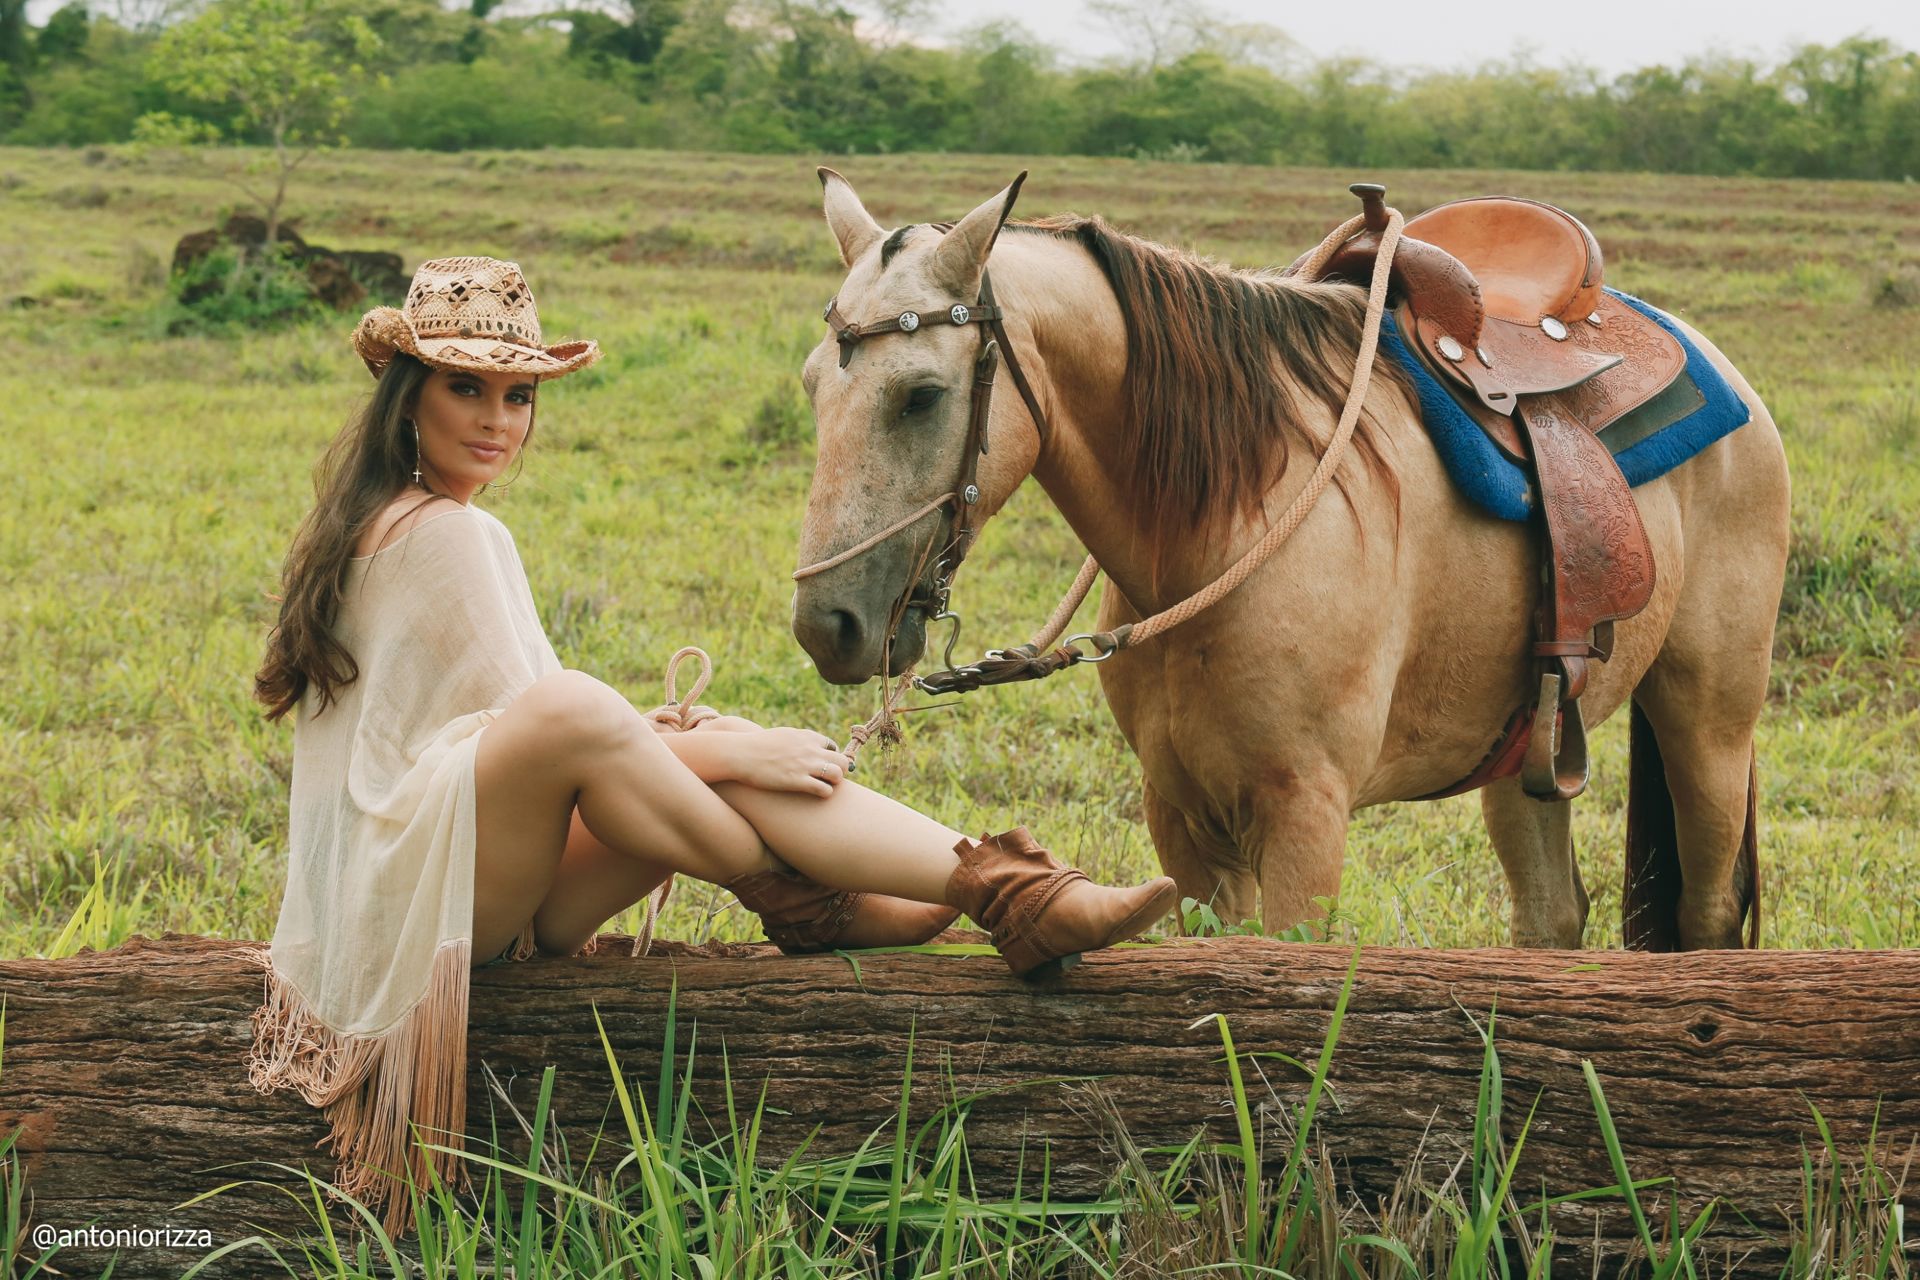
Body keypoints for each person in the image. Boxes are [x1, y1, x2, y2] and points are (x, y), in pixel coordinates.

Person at [243, 255, 1178, 1235]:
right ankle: (841, 895)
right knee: (627, 720)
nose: (497, 420)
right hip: (425, 906)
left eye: (517, 396)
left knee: (697, 731)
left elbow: (531, 745)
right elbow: (537, 732)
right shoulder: (447, 535)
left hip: (454, 881)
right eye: (465, 387)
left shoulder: (387, 520)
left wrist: (715, 743)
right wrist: (731, 758)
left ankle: (1001, 888)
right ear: (407, 396)